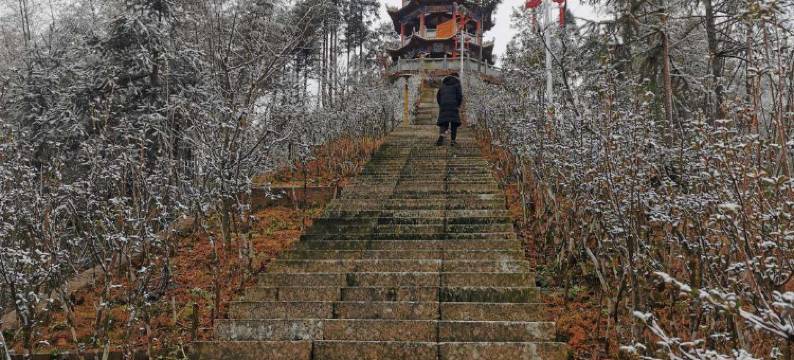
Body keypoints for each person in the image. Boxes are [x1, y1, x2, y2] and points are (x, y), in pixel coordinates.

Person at [435, 74, 463, 146]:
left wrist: (441, 104)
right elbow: (459, 96)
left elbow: (438, 96)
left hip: (444, 105)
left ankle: (441, 137)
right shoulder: (457, 84)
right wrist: (458, 105)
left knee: (444, 122)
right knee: (454, 123)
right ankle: (453, 141)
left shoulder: (443, 85)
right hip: (453, 105)